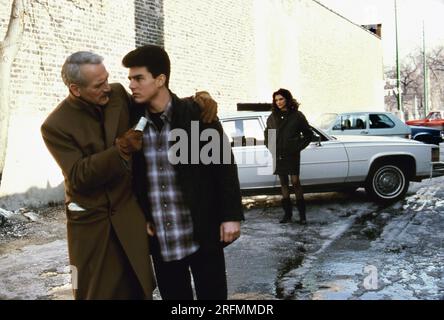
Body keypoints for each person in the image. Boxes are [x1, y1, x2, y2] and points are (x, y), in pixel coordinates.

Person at [40, 51, 218, 299]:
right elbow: (79, 176)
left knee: (138, 288)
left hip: (129, 216)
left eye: (107, 79)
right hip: (93, 225)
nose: (107, 87)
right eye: (98, 84)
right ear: (75, 89)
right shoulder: (55, 126)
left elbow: (157, 102)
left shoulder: (117, 95)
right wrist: (120, 150)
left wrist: (198, 100)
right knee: (94, 292)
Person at [122, 45, 244, 300]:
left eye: (138, 78)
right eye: (130, 78)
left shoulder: (197, 114)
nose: (131, 85)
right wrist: (140, 216)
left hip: (201, 231)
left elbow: (224, 167)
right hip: (162, 238)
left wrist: (231, 215)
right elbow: (133, 178)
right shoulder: (132, 120)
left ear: (160, 79)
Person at [264, 88, 313, 224]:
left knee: (296, 182)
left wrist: (296, 146)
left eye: (281, 99)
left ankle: (302, 216)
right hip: (279, 154)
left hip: (292, 154)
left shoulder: (297, 116)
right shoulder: (272, 117)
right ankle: (287, 215)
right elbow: (268, 134)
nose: (278, 102)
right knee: (284, 183)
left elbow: (308, 135)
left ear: (287, 99)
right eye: (276, 100)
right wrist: (271, 147)